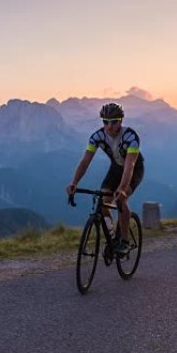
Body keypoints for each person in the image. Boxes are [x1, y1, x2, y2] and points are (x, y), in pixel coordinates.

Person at [66, 102, 144, 255]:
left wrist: (121, 189)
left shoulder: (130, 137)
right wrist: (74, 183)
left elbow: (130, 165)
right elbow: (85, 161)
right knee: (103, 204)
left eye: (114, 121)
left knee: (121, 199)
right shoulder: (97, 137)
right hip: (116, 168)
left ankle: (125, 241)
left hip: (134, 170)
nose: (109, 126)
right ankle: (113, 235)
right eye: (105, 122)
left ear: (121, 121)